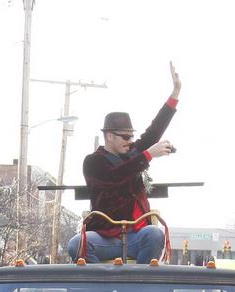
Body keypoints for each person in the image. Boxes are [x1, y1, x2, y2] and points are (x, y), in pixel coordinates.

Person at [68, 63, 181, 264]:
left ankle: (139, 286)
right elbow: (114, 176)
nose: (130, 141)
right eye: (125, 137)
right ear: (109, 136)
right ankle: (103, 288)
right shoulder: (93, 162)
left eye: (131, 137)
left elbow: (153, 132)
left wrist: (174, 95)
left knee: (155, 234)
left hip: (137, 236)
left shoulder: (132, 154)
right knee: (76, 245)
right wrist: (147, 155)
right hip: (105, 237)